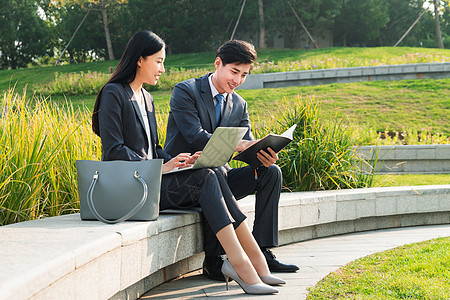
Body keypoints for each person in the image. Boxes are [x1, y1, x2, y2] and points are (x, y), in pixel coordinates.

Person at [92, 30, 284, 295]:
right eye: (158, 61)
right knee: (208, 175)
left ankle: (252, 263)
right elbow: (114, 152)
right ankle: (244, 265)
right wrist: (163, 167)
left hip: (153, 182)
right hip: (131, 189)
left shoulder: (146, 98)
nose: (163, 68)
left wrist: (180, 162)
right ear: (139, 59)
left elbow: (154, 150)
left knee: (209, 171)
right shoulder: (113, 93)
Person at [164, 40, 299, 280]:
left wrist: (263, 155)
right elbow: (194, 136)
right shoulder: (186, 91)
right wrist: (239, 144)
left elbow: (248, 146)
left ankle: (262, 250)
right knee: (214, 174)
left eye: (244, 75)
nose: (237, 80)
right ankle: (214, 261)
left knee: (271, 172)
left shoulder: (239, 104)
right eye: (234, 71)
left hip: (221, 177)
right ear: (218, 64)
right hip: (186, 178)